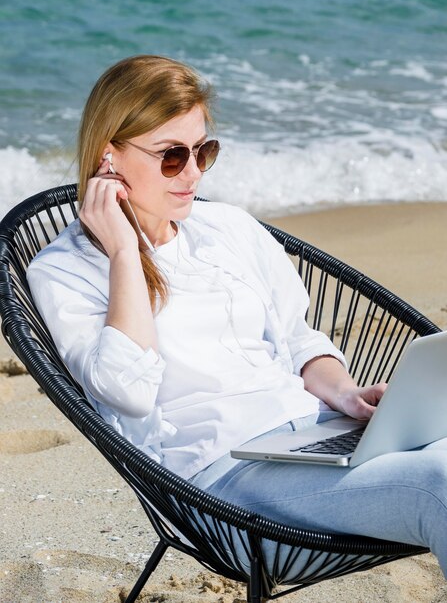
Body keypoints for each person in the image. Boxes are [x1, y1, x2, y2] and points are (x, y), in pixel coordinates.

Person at [27, 54, 447, 576]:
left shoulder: (227, 227)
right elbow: (127, 391)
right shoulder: (66, 270)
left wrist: (345, 393)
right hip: (224, 488)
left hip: (315, 438)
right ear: (109, 156)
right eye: (172, 156)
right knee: (441, 481)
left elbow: (297, 338)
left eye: (204, 151)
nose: (194, 173)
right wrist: (123, 254)